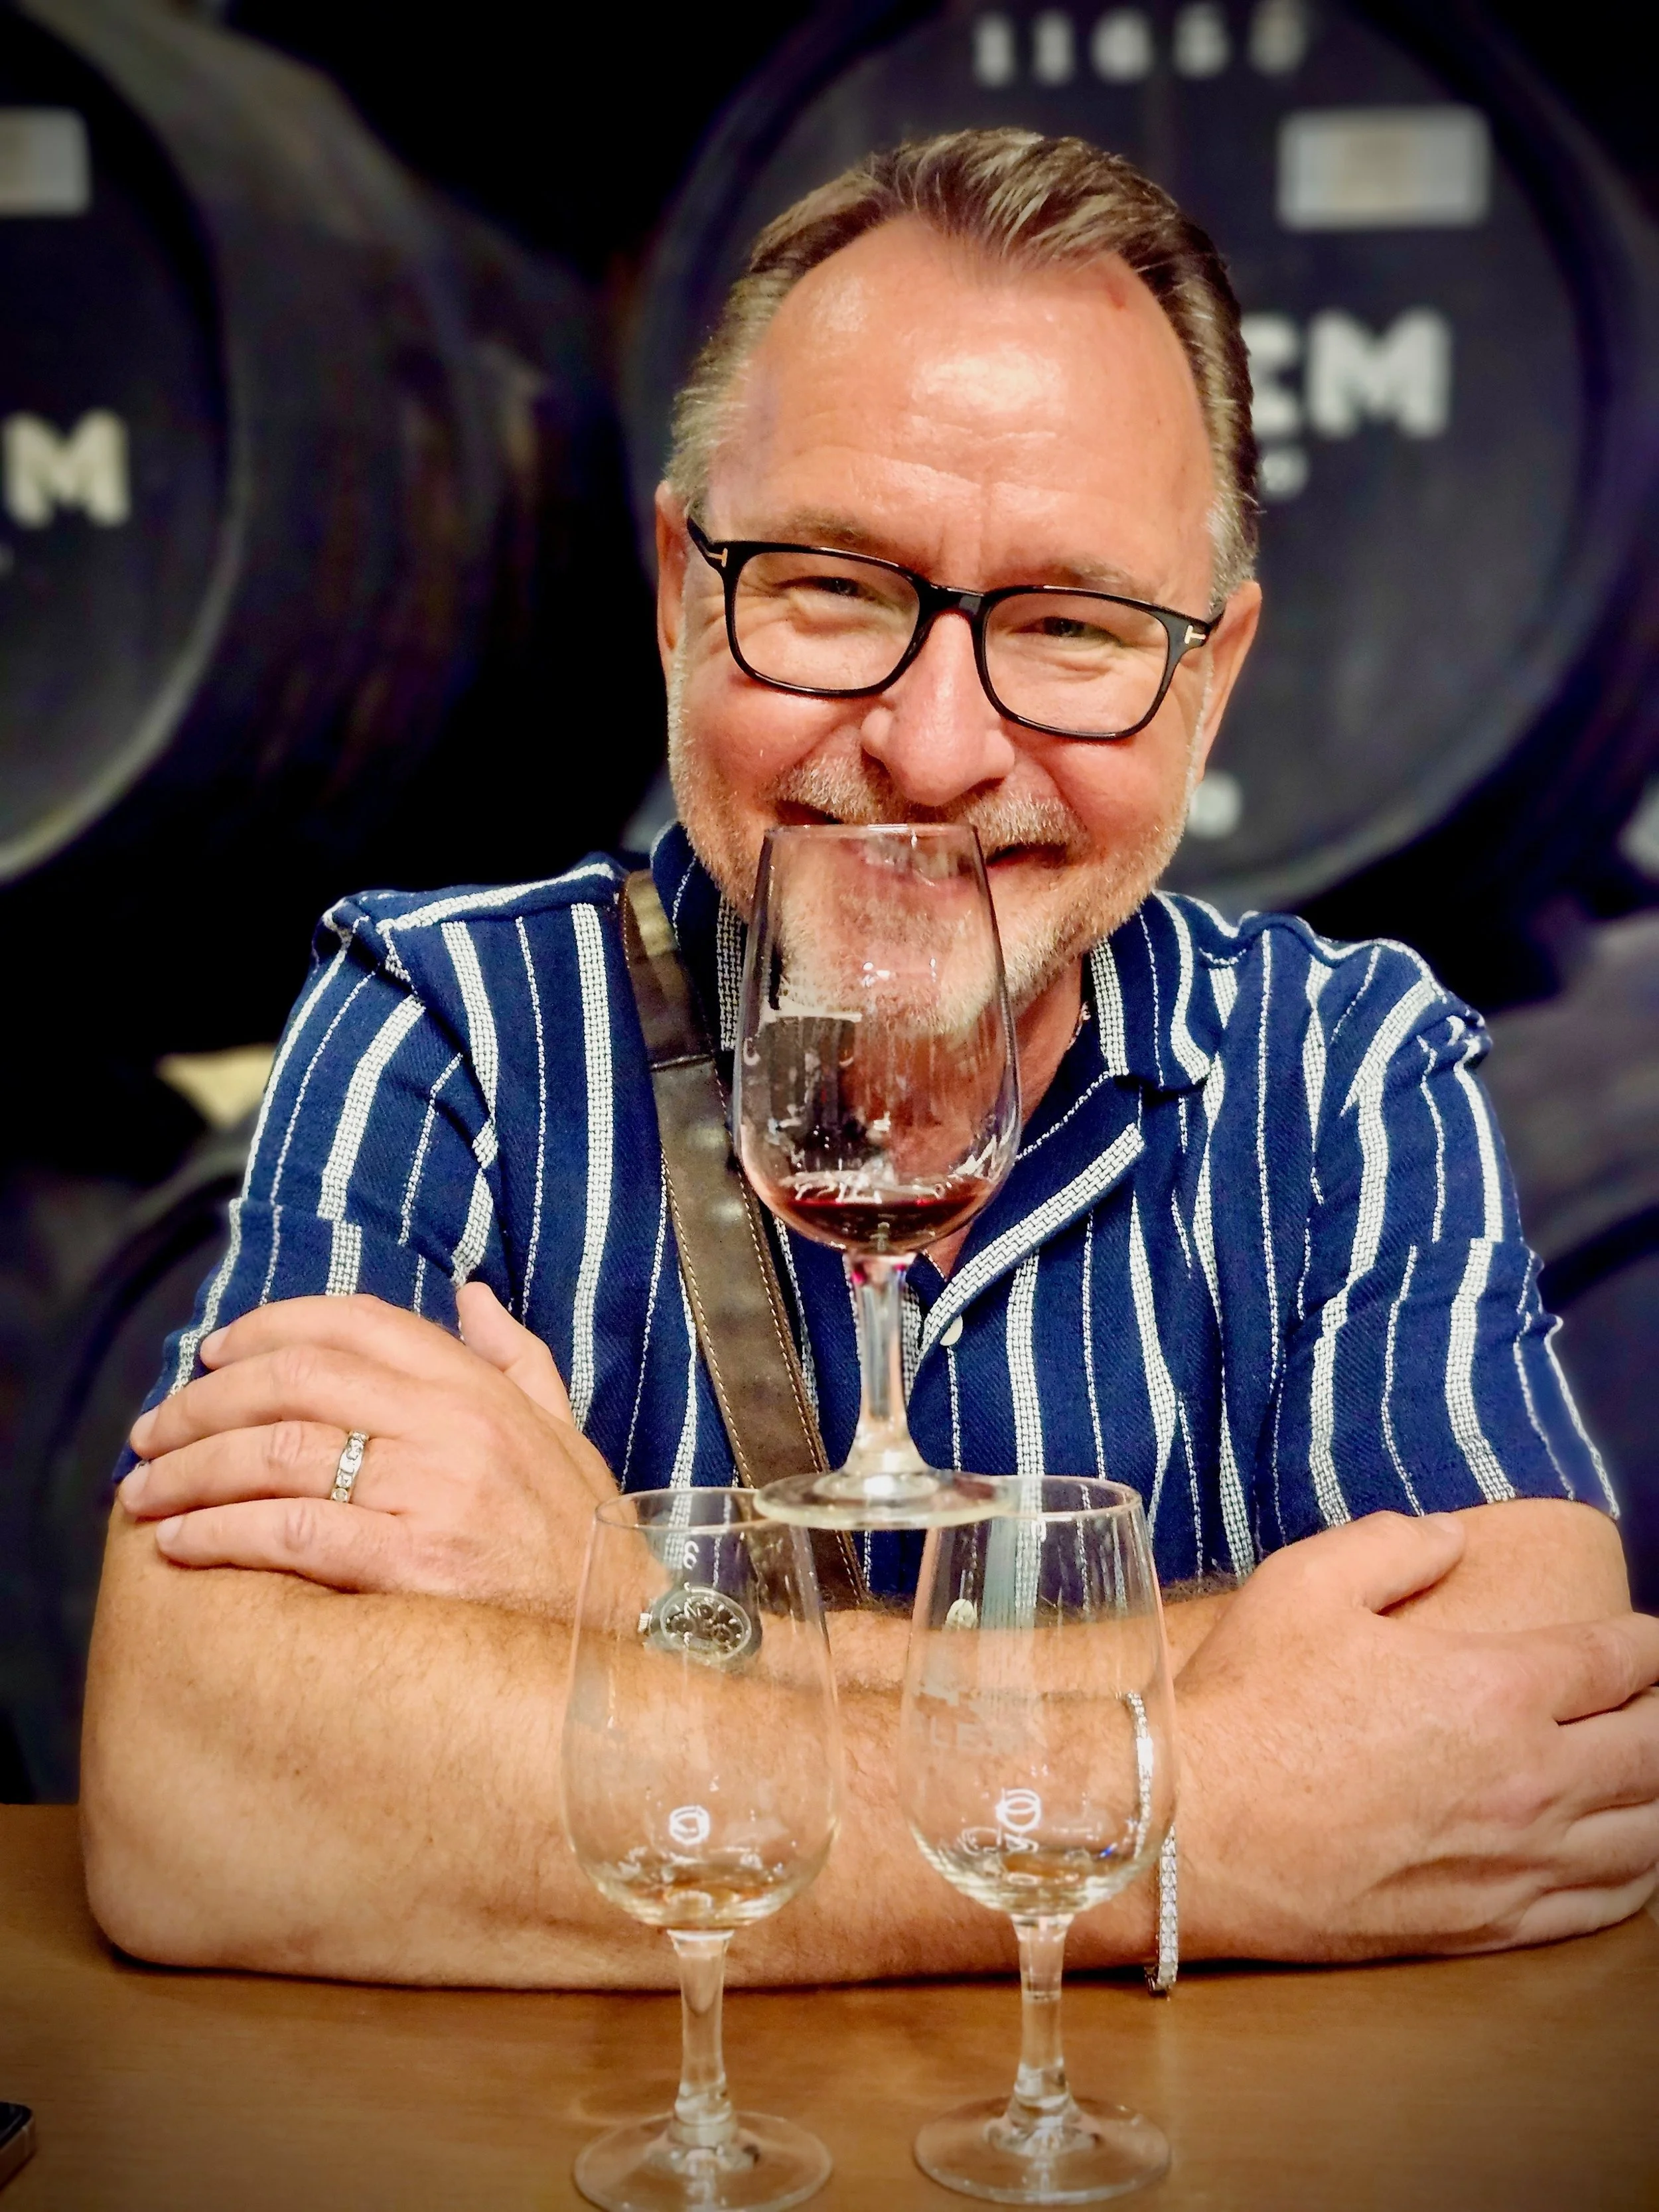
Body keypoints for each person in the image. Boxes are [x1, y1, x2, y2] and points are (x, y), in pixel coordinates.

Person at [84, 129, 1659, 1989]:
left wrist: (635, 1612)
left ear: (1208, 680)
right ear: (680, 591)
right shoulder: (450, 1024)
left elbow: (1521, 1698)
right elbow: (207, 1781)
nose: (928, 746)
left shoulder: (1338, 1068)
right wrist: (1214, 1788)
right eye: (833, 584)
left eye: (1069, 627)